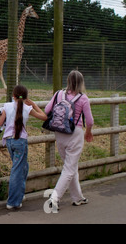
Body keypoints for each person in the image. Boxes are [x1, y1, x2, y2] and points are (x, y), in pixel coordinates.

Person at [45, 70, 94, 210]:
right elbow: (89, 121)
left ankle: (77, 197)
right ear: (81, 82)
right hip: (75, 133)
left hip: (59, 133)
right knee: (69, 168)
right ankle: (54, 199)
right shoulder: (83, 98)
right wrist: (88, 133)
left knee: (71, 166)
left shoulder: (58, 94)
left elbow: (47, 110)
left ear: (68, 81)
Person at [0, 85, 48, 209]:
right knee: (17, 170)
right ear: (26, 97)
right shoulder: (27, 108)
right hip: (20, 141)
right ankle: (13, 201)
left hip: (9, 141)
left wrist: (3, 116)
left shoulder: (7, 106)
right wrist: (34, 105)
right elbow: (44, 117)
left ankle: (19, 193)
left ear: (13, 96)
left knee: (23, 167)